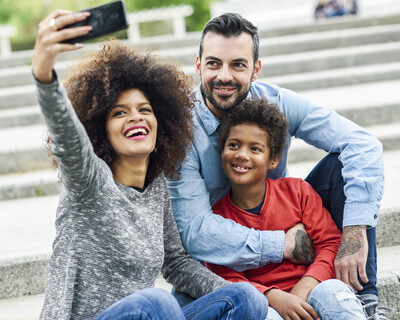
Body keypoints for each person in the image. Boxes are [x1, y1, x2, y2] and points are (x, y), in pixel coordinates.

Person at [32, 9, 268, 320]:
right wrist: (43, 73)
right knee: (156, 303)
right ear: (100, 130)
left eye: (145, 109)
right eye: (119, 112)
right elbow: (66, 136)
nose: (136, 117)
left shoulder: (157, 188)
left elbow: (177, 263)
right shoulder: (89, 181)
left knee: (246, 298)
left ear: (162, 123)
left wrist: (230, 293)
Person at [165, 12, 388, 318]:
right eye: (214, 63)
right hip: (224, 255)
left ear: (256, 69)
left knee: (345, 166)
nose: (224, 76)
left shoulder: (277, 103)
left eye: (238, 64)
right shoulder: (180, 130)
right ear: (198, 65)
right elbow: (198, 233)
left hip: (280, 218)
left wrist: (353, 232)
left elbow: (363, 145)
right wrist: (283, 243)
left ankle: (365, 300)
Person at [205, 98, 366, 319]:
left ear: (274, 160)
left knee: (335, 293)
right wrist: (273, 297)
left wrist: (306, 285)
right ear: (221, 152)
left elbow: (329, 242)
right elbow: (224, 275)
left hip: (313, 290)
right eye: (233, 145)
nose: (242, 154)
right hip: (265, 303)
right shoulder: (215, 217)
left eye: (255, 148)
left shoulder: (297, 192)